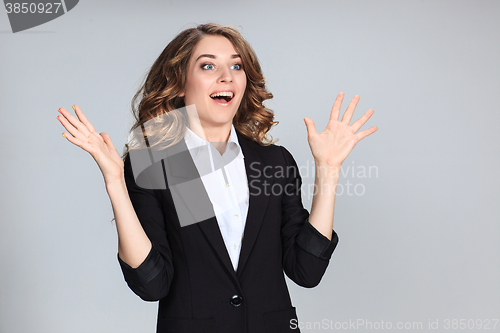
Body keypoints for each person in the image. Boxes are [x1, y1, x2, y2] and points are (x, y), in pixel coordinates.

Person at [56, 23, 377, 333]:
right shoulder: (159, 164)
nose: (226, 76)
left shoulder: (272, 162)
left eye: (236, 67)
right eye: (208, 66)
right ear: (180, 83)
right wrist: (115, 182)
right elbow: (153, 283)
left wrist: (329, 168)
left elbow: (306, 270)